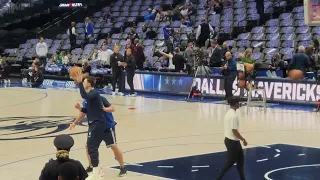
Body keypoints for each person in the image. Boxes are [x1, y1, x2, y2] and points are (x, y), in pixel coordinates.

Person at [70, 95, 127, 177]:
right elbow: (83, 112)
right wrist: (75, 122)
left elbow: (112, 108)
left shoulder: (100, 98)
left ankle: (122, 167)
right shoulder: (85, 101)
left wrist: (104, 109)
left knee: (113, 146)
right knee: (88, 146)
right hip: (94, 127)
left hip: (107, 127)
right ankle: (91, 166)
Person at [73, 75, 107, 180]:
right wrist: (80, 109)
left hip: (98, 123)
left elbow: (84, 96)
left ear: (89, 84)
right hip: (93, 123)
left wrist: (79, 83)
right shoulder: (90, 96)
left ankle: (96, 172)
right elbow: (87, 111)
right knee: (90, 146)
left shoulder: (94, 93)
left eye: (84, 82)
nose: (83, 83)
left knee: (92, 147)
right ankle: (96, 170)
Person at [216, 97, 247, 180]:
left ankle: (243, 178)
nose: (239, 104)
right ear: (236, 104)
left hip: (231, 141)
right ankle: (218, 178)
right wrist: (243, 139)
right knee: (230, 162)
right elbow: (234, 131)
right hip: (232, 142)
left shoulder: (228, 113)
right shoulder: (233, 116)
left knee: (240, 161)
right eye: (238, 102)